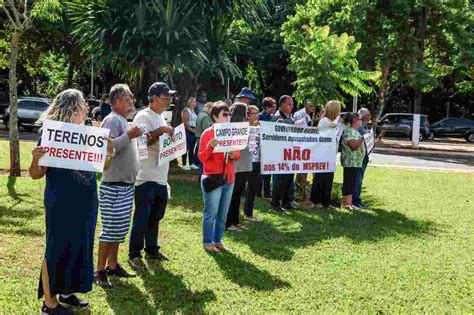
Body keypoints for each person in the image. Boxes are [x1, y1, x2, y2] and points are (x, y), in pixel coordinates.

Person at [29, 89, 113, 315]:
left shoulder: (87, 134)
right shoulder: (51, 135)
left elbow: (102, 167)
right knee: (56, 248)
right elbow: (36, 174)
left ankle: (67, 291)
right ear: (72, 107)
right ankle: (49, 303)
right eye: (83, 103)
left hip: (85, 202)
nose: (87, 106)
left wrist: (108, 151)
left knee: (79, 245)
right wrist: (35, 159)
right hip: (61, 202)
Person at [94, 84, 142, 288]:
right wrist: (129, 136)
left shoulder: (122, 119)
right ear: (121, 99)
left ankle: (113, 265)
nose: (133, 100)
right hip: (113, 186)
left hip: (124, 185)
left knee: (118, 230)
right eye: (130, 97)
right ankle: (99, 271)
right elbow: (107, 145)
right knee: (110, 230)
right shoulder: (113, 119)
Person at [128, 82, 175, 269]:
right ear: (154, 98)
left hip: (160, 175)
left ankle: (152, 249)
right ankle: (134, 254)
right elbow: (142, 142)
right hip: (145, 175)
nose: (169, 100)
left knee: (156, 216)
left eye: (170, 97)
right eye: (166, 97)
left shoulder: (161, 117)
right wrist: (161, 131)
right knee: (142, 216)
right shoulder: (143, 116)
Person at [198, 102, 240, 252]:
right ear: (215, 117)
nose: (228, 117)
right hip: (213, 178)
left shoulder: (231, 132)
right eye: (224, 115)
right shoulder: (207, 134)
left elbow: (237, 153)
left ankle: (218, 240)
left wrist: (235, 155)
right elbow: (201, 157)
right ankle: (207, 242)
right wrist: (210, 146)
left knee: (223, 213)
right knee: (211, 212)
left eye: (229, 114)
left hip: (229, 178)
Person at [226, 103, 252, 231]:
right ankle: (229, 223)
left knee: (238, 195)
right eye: (246, 112)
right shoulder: (232, 128)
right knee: (233, 195)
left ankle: (235, 221)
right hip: (236, 166)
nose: (248, 115)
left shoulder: (245, 127)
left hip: (244, 165)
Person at [311, 100, 341, 208]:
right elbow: (331, 129)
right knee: (320, 178)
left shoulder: (335, 121)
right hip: (322, 154)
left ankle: (326, 202)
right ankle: (316, 201)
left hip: (330, 155)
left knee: (328, 178)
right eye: (338, 109)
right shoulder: (324, 121)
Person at [270, 95, 297, 212]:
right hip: (279, 153)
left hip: (289, 152)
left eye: (292, 104)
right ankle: (275, 202)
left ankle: (286, 202)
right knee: (279, 179)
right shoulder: (277, 118)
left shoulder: (290, 117)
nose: (291, 106)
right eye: (289, 104)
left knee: (289, 178)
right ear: (281, 105)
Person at [341, 112, 366, 209]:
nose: (361, 121)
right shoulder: (349, 131)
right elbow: (353, 146)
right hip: (350, 161)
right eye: (359, 119)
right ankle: (345, 203)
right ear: (354, 121)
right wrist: (363, 138)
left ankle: (350, 203)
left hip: (355, 162)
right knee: (348, 182)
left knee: (352, 182)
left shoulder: (354, 130)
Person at [294, 100, 316, 201]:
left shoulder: (308, 115)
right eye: (311, 106)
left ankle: (298, 188)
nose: (313, 108)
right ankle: (303, 194)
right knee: (303, 169)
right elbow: (301, 129)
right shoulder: (300, 115)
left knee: (303, 169)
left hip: (305, 145)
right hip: (300, 146)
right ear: (305, 106)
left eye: (314, 106)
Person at [244, 105, 262, 221]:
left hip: (257, 161)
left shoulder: (261, 127)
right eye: (253, 113)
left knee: (252, 188)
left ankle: (248, 213)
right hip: (246, 161)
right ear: (248, 115)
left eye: (257, 113)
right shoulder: (244, 128)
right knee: (240, 188)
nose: (256, 116)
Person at [353, 107, 371, 208]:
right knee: (358, 179)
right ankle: (355, 200)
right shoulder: (360, 127)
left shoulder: (364, 126)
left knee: (360, 178)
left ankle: (357, 199)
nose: (369, 117)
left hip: (364, 155)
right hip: (359, 156)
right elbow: (363, 138)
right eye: (367, 115)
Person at [258, 97, 276, 199]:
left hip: (270, 147)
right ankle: (259, 192)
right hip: (262, 147)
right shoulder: (260, 117)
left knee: (269, 170)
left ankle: (267, 192)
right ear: (266, 107)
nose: (274, 109)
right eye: (273, 107)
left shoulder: (272, 117)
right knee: (261, 172)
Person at [195, 102, 214, 182]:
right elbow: (207, 129)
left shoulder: (200, 114)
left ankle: (200, 177)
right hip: (204, 140)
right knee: (204, 161)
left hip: (198, 138)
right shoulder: (206, 117)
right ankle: (201, 178)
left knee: (201, 161)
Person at [181, 97, 199, 171]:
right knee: (186, 147)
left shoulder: (193, 111)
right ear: (190, 102)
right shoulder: (186, 110)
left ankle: (191, 163)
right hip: (188, 130)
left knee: (192, 148)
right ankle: (184, 164)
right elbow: (185, 123)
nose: (196, 103)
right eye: (194, 101)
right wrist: (192, 130)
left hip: (193, 130)